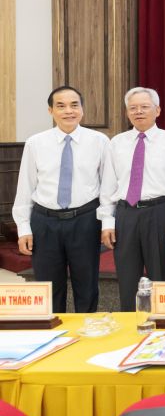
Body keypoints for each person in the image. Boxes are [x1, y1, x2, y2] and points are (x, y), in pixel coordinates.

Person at [13, 86, 113, 313]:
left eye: (74, 105)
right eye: (61, 106)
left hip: (85, 219)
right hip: (44, 222)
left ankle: (86, 329)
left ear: (82, 109)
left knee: (87, 285)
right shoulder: (35, 143)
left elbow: (107, 187)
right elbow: (25, 186)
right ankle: (54, 330)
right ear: (51, 111)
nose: (69, 111)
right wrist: (23, 228)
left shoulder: (99, 141)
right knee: (49, 287)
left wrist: (107, 222)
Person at [102, 87, 165, 311]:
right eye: (133, 108)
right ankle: (131, 324)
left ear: (158, 110)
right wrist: (107, 221)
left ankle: (164, 323)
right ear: (127, 112)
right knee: (127, 278)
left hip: (159, 213)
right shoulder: (116, 143)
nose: (138, 112)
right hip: (125, 214)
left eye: (145, 107)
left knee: (161, 276)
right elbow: (108, 185)